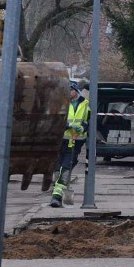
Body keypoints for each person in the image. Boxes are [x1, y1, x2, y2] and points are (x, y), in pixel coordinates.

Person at [50, 80, 90, 208]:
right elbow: (56, 119)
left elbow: (87, 121)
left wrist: (82, 128)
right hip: (60, 140)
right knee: (57, 167)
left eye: (70, 90)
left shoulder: (85, 104)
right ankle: (56, 188)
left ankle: (57, 195)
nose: (68, 93)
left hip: (75, 141)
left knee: (66, 167)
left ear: (75, 90)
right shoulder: (60, 102)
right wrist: (68, 126)